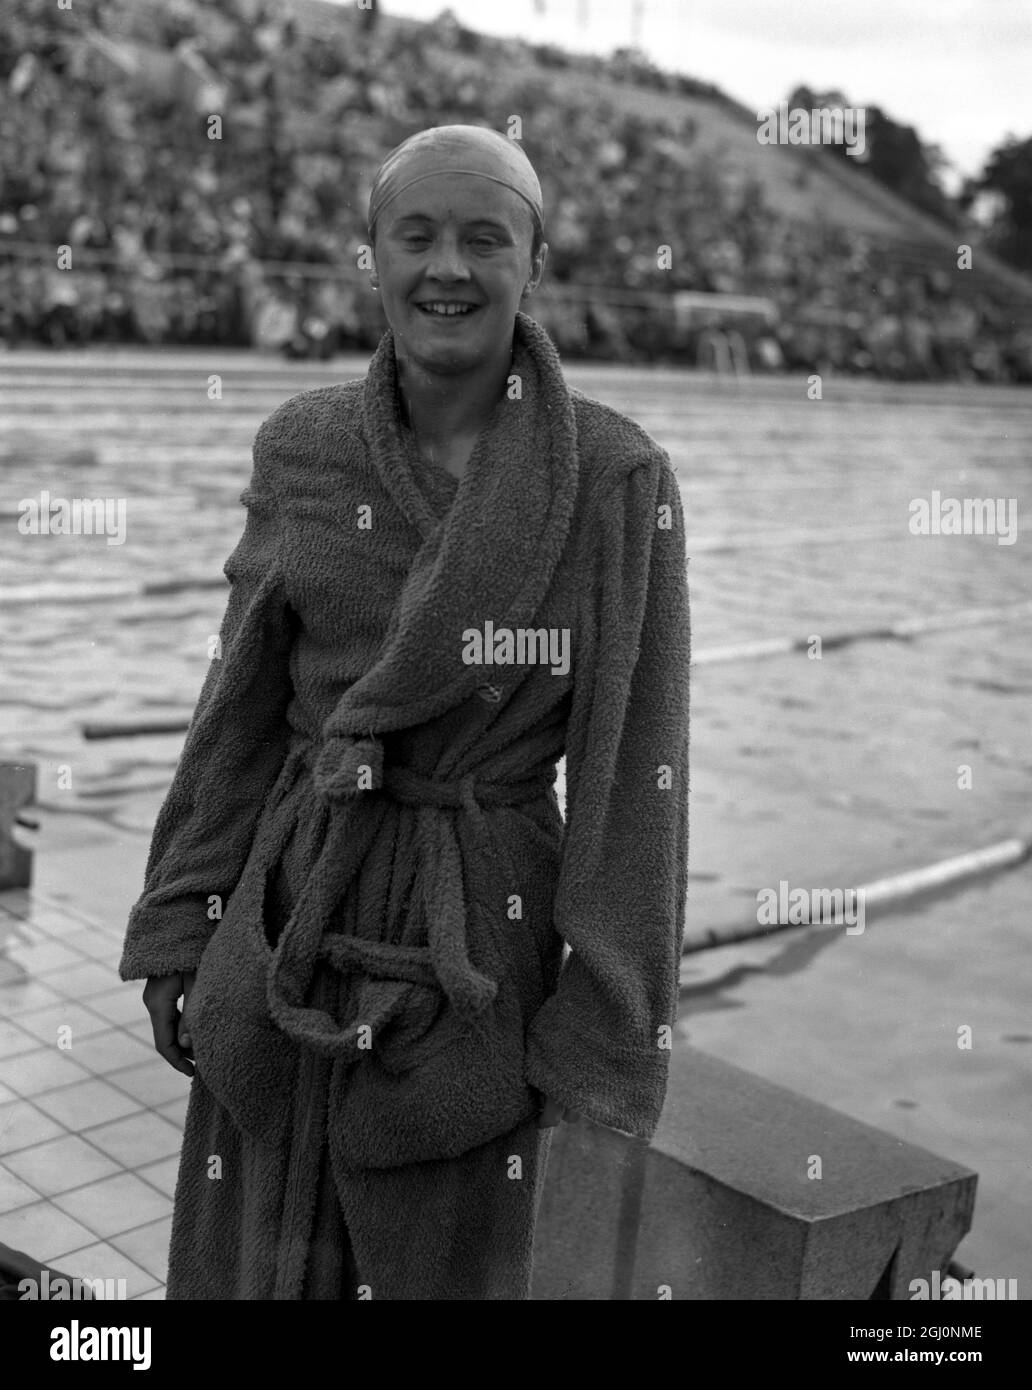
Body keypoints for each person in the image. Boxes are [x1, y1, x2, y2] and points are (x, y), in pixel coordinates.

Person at [119, 124, 691, 1300]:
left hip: (473, 943)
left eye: (487, 238)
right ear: (369, 257)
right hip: (290, 910)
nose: (449, 267)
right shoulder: (305, 450)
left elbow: (636, 780)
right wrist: (185, 914)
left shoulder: (615, 479)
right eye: (416, 234)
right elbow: (236, 710)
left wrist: (603, 1042)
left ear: (535, 262)